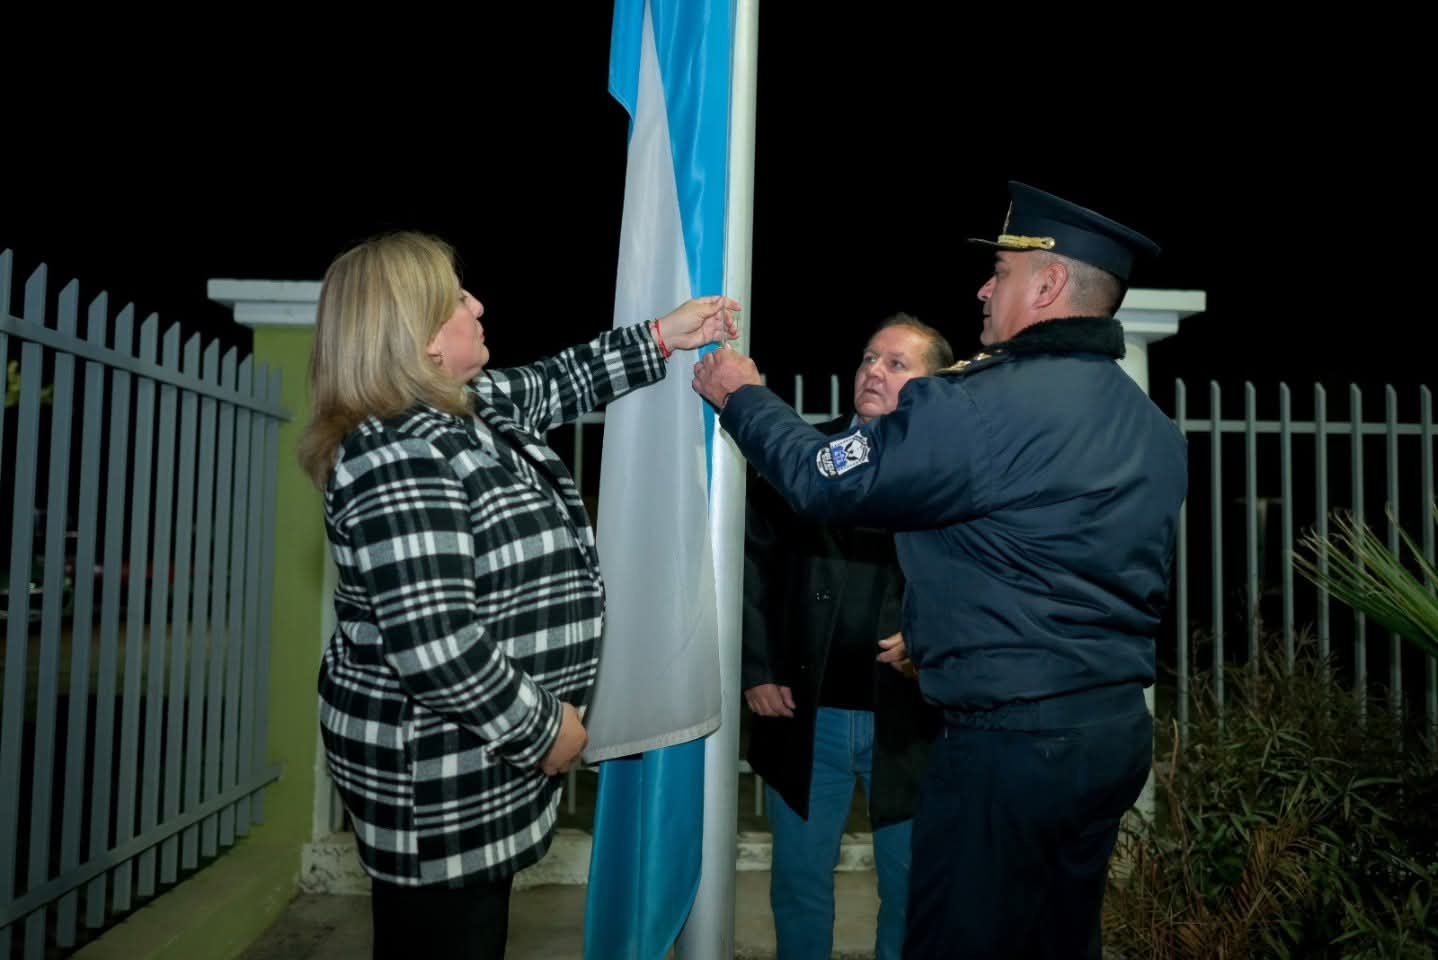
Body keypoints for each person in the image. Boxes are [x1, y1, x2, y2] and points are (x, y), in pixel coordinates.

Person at [693, 182, 1187, 958]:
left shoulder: (977, 406)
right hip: (1111, 734)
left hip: (1008, 747)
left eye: (1001, 272)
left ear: (1049, 284)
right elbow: (1050, 567)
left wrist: (743, 398)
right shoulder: (1152, 428)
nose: (983, 288)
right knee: (1059, 938)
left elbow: (827, 474)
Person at [298, 231, 739, 960]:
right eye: (454, 299)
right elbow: (438, 647)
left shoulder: (463, 408)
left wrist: (666, 333)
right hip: (439, 789)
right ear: (420, 338)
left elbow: (561, 380)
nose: (477, 304)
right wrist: (543, 732)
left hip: (474, 766)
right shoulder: (396, 451)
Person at [743, 314, 949, 960]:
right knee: (799, 886)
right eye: (868, 358)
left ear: (933, 388)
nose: (873, 372)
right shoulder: (804, 458)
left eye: (896, 364)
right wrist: (757, 667)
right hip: (809, 716)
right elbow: (752, 566)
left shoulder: (953, 472)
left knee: (912, 887)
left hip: (913, 720)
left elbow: (982, 575)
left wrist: (932, 637)